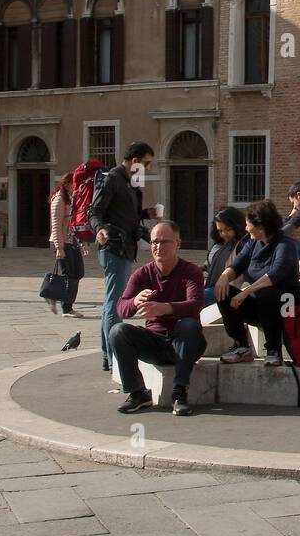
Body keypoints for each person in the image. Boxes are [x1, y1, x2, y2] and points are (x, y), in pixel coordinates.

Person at [109, 220, 205, 417]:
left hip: (186, 342)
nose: (158, 247)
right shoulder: (142, 274)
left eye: (164, 242)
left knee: (188, 324)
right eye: (154, 242)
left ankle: (179, 393)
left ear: (177, 243)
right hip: (154, 342)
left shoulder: (191, 272)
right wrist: (135, 301)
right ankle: (137, 393)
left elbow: (195, 305)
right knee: (117, 331)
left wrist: (165, 308)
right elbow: (120, 309)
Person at [90, 141, 159, 374]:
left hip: (125, 247)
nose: (147, 169)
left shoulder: (130, 182)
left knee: (110, 302)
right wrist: (99, 229)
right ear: (134, 161)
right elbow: (95, 210)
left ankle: (106, 355)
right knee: (115, 303)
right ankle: (114, 357)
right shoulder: (112, 178)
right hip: (114, 248)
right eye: (146, 164)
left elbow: (124, 213)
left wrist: (145, 213)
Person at [215, 199, 300, 366]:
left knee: (267, 293)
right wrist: (224, 277)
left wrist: (245, 292)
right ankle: (241, 345)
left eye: (248, 225)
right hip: (260, 307)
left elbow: (274, 275)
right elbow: (237, 265)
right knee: (223, 293)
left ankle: (273, 350)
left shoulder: (285, 245)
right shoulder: (253, 243)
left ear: (261, 227)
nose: (245, 228)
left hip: (286, 306)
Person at [47, 170, 87, 318]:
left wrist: (82, 243)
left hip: (73, 241)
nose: (76, 187)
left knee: (78, 272)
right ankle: (67, 308)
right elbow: (56, 225)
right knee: (68, 275)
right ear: (67, 184)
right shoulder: (58, 200)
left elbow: (76, 224)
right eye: (74, 184)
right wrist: (59, 247)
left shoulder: (71, 199)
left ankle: (55, 297)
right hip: (62, 242)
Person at [203, 206, 248, 309]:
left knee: (195, 299)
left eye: (228, 229)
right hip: (209, 284)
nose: (224, 234)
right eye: (220, 230)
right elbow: (207, 266)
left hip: (228, 290)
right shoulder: (218, 245)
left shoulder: (243, 245)